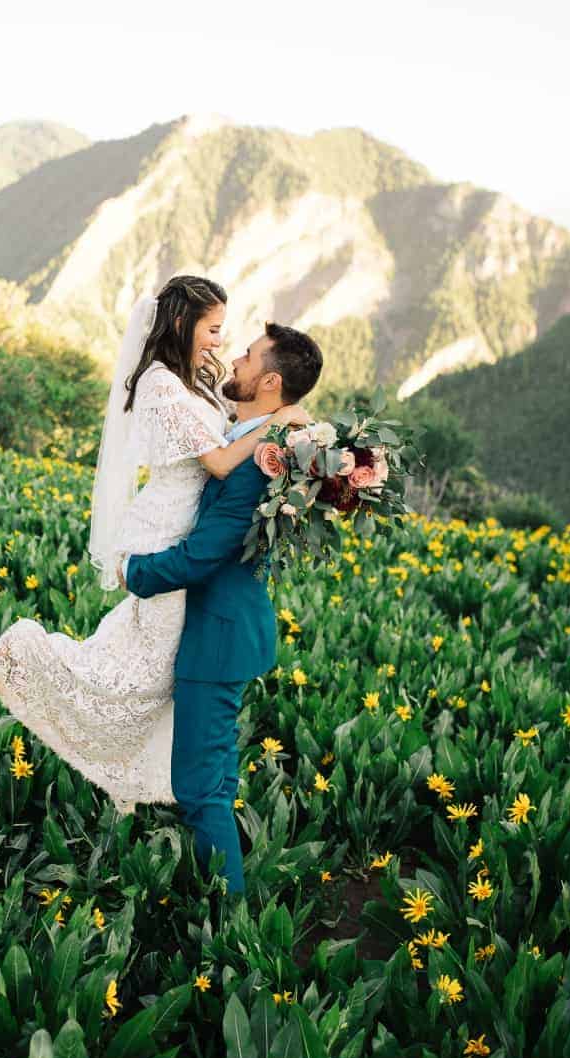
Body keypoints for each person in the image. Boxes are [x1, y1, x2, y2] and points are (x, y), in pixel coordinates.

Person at [0, 275, 310, 813]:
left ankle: (142, 778)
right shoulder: (158, 382)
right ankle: (27, 659)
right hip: (165, 531)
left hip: (188, 529)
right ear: (182, 323)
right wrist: (279, 425)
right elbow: (223, 460)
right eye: (214, 329)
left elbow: (227, 428)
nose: (221, 344)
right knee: (144, 675)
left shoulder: (196, 378)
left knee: (153, 671)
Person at [118, 321, 324, 896]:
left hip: (218, 634)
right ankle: (224, 901)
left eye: (248, 356)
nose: (235, 359)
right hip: (228, 625)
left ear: (270, 381)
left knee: (199, 787)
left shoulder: (263, 457)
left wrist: (130, 571)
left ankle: (227, 925)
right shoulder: (262, 436)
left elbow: (204, 555)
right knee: (216, 778)